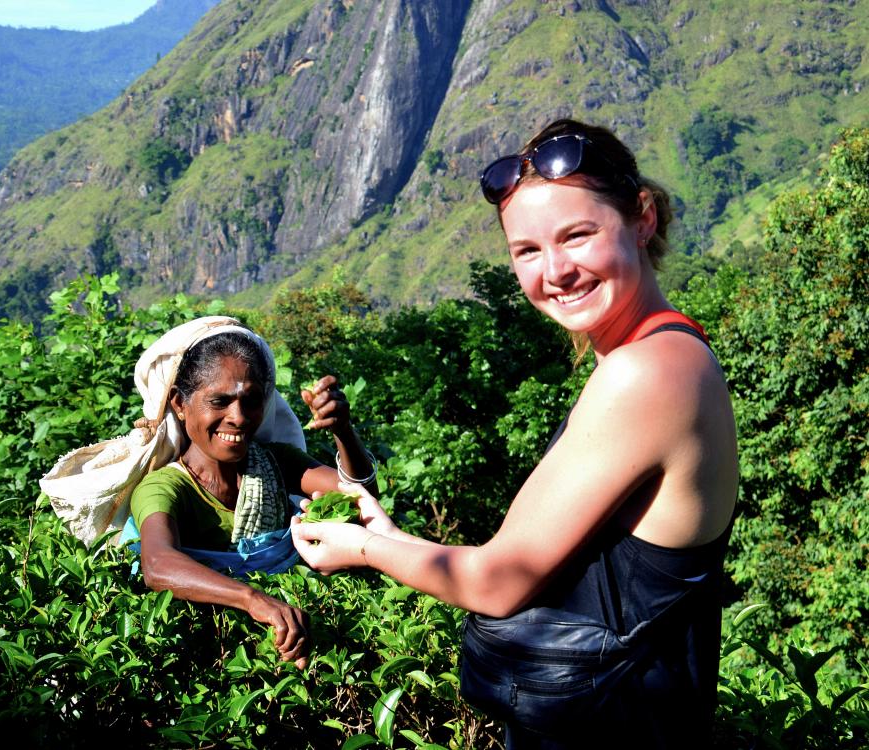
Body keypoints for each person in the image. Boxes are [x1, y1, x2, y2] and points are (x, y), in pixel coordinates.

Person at [291, 119, 738, 747]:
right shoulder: (663, 352)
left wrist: (361, 550)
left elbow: (497, 583)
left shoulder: (647, 373)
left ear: (642, 218)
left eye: (577, 235)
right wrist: (391, 534)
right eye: (527, 250)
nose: (555, 271)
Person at [129, 319, 377, 671]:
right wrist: (252, 598)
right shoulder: (165, 488)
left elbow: (364, 503)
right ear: (179, 404)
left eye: (251, 401)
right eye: (219, 401)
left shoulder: (278, 464)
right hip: (203, 666)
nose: (239, 418)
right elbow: (158, 565)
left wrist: (343, 432)